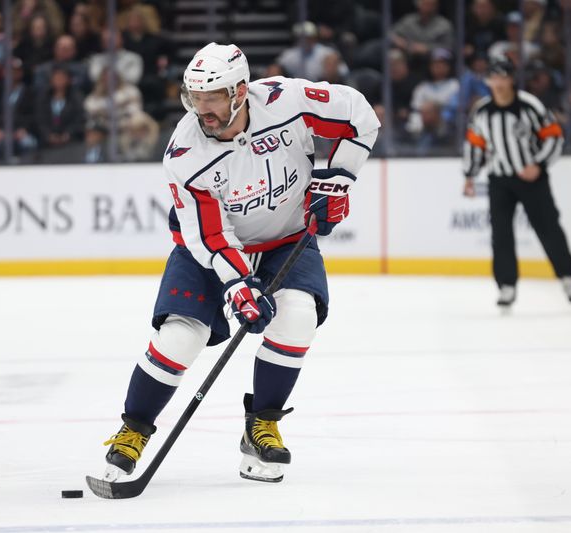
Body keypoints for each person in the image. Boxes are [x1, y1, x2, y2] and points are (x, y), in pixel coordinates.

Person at [99, 43, 379, 483]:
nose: (201, 109)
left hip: (285, 239)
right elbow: (210, 234)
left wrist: (339, 178)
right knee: (180, 338)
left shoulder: (288, 101)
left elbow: (360, 114)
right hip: (210, 252)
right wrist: (237, 284)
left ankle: (262, 425)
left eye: (211, 97)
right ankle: (133, 429)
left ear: (240, 91)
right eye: (194, 97)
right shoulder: (185, 152)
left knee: (299, 316)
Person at [463, 58, 571, 306]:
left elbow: (554, 137)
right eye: (494, 78)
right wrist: (469, 176)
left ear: (512, 79)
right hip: (499, 180)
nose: (499, 83)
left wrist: (539, 164)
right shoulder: (482, 111)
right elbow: (475, 144)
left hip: (532, 179)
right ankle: (506, 285)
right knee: (501, 233)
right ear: (488, 81)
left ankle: (568, 276)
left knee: (548, 227)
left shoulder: (530, 106)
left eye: (504, 77)